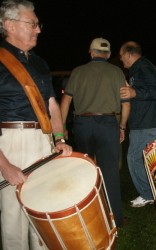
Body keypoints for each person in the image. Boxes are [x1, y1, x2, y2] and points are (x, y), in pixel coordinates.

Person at [0, 0, 73, 249]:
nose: (38, 29)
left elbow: (52, 106)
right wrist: (4, 164)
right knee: (14, 219)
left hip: (43, 141)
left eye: (38, 24)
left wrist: (60, 139)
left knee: (44, 212)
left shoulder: (41, 63)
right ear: (10, 25)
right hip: (11, 142)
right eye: (33, 24)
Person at [60, 37, 130, 227]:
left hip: (82, 125)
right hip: (108, 124)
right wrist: (122, 127)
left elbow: (65, 101)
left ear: (91, 52)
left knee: (85, 169)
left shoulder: (78, 72)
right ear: (107, 54)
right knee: (110, 171)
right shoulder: (117, 72)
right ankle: (115, 217)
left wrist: (62, 127)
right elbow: (126, 104)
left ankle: (86, 216)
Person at [119, 41, 156, 207]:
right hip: (145, 121)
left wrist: (134, 91)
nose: (120, 58)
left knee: (134, 158)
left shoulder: (142, 67)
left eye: (121, 55)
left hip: (146, 123)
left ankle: (148, 194)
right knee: (147, 160)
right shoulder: (140, 68)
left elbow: (155, 91)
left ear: (130, 54)